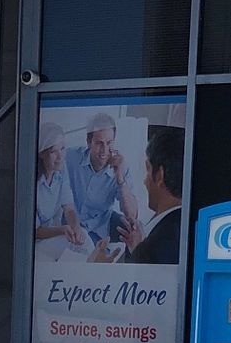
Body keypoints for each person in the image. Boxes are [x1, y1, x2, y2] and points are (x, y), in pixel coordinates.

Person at [65, 111, 141, 248]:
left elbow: (132, 214)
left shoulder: (122, 167)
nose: (104, 150)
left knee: (134, 229)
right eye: (99, 143)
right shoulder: (71, 158)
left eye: (109, 143)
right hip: (72, 223)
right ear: (88, 142)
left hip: (101, 224)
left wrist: (120, 178)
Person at [122, 125, 184, 265]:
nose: (145, 182)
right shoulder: (185, 226)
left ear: (160, 175)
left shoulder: (158, 244)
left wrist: (98, 266)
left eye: (148, 170)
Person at [34, 120, 86, 245]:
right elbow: (34, 231)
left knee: (85, 240)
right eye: (53, 151)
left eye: (62, 149)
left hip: (55, 233)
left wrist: (76, 228)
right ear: (42, 154)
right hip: (36, 243)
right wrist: (62, 230)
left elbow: (69, 208)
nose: (60, 156)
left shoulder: (61, 170)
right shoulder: (32, 183)